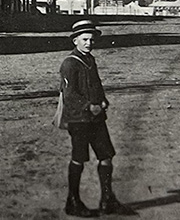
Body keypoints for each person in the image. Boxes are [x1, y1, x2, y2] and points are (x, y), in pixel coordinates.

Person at [58, 20, 136, 217]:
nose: (88, 43)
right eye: (84, 40)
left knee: (106, 156)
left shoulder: (90, 60)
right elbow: (70, 95)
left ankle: (107, 200)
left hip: (96, 118)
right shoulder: (70, 63)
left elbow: (96, 86)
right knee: (79, 159)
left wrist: (102, 100)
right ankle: (73, 202)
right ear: (75, 40)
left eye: (91, 40)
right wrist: (89, 106)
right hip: (78, 119)